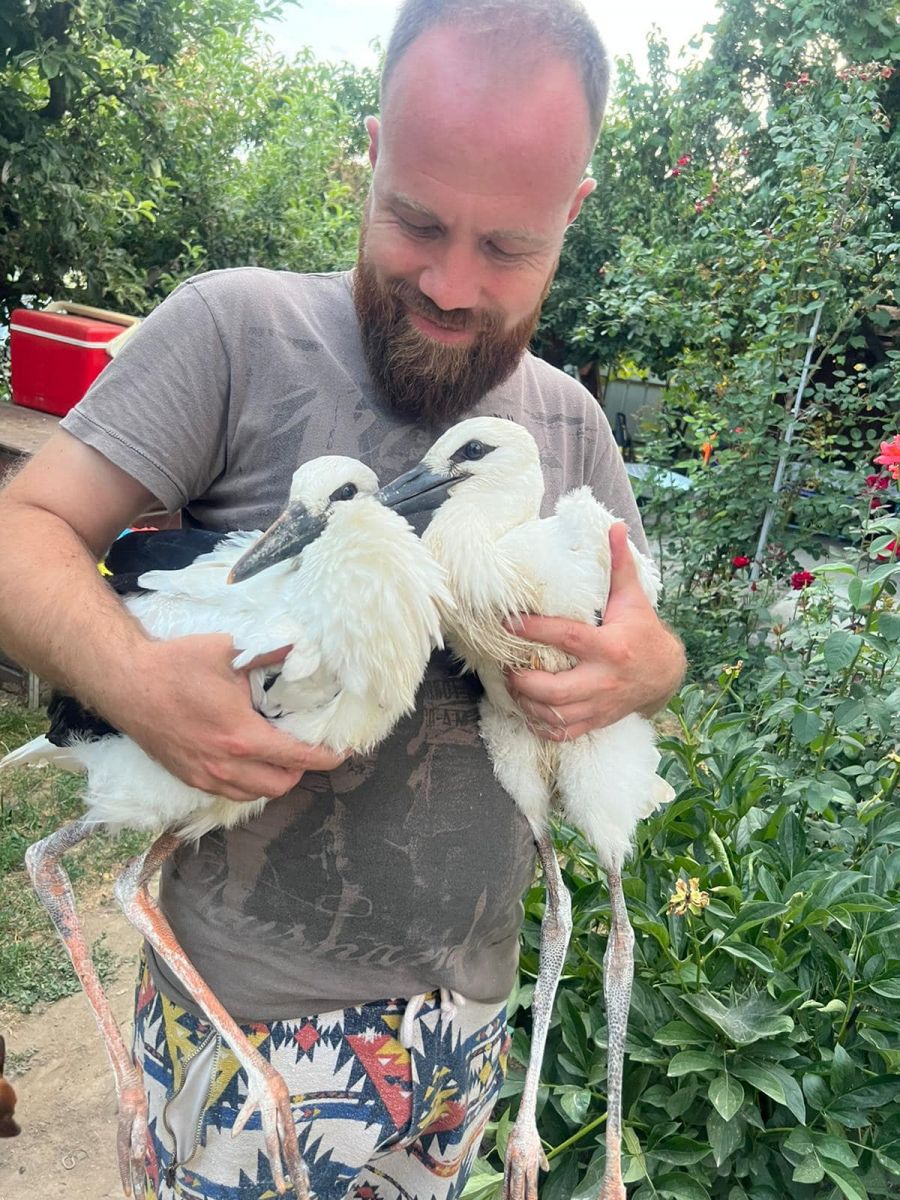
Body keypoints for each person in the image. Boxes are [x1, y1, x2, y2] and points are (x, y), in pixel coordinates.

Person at [0, 1, 686, 1197]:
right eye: (417, 220)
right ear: (371, 153)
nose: (452, 285)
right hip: (245, 1034)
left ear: (572, 214)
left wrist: (652, 669)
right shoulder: (232, 332)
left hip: (468, 1033)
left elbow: (646, 642)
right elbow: (22, 531)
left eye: (508, 246)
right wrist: (133, 679)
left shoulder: (571, 424)